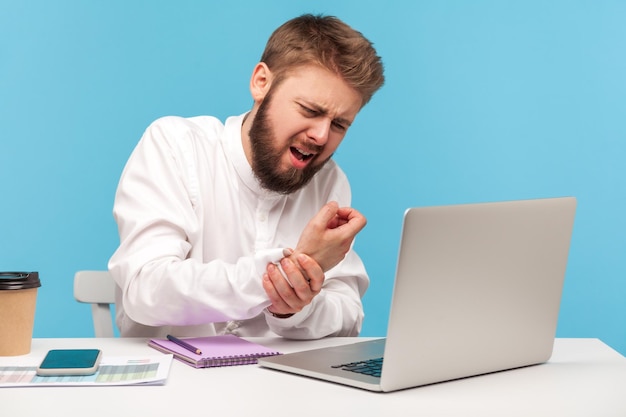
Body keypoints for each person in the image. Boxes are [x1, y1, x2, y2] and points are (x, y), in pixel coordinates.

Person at [108, 14, 385, 338]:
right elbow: (147, 290)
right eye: (310, 111)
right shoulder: (175, 145)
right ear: (261, 83)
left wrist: (295, 307)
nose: (322, 136)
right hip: (173, 381)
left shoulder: (329, 181)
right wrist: (285, 274)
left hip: (277, 384)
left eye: (340, 124)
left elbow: (348, 313)